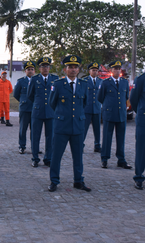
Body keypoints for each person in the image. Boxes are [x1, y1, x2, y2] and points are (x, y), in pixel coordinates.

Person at [48, 55, 91, 192]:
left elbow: (84, 103)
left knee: (78, 156)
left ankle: (78, 181)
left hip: (78, 126)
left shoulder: (83, 85)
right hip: (61, 126)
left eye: (75, 67)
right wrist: (63, 115)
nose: (73, 69)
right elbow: (52, 103)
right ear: (64, 69)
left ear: (79, 70)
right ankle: (54, 181)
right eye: (70, 67)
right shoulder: (58, 84)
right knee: (56, 155)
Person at [97, 60, 131, 169]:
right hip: (109, 114)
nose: (117, 70)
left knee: (121, 138)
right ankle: (104, 159)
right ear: (111, 70)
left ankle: (121, 159)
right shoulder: (105, 82)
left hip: (121, 114)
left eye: (118, 68)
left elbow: (126, 96)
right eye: (115, 69)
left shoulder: (125, 82)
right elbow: (100, 97)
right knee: (107, 137)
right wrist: (109, 106)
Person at [27, 58, 58, 166]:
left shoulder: (55, 79)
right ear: (39, 68)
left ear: (49, 68)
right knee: (35, 136)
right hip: (38, 111)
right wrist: (38, 103)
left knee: (50, 137)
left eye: (47, 66)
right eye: (43, 66)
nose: (45, 68)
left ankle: (48, 158)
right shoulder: (34, 79)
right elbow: (30, 95)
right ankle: (35, 158)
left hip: (50, 112)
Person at [13, 61, 35, 154]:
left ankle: (34, 147)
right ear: (25, 71)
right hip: (25, 108)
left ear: (34, 71)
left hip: (35, 109)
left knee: (34, 130)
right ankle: (22, 146)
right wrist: (23, 101)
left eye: (32, 69)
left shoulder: (37, 81)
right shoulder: (21, 81)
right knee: (23, 128)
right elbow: (16, 94)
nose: (30, 71)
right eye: (28, 69)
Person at [130, 73, 145, 190]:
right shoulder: (141, 79)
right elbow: (133, 99)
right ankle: (139, 177)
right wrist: (140, 111)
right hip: (143, 119)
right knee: (141, 148)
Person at [83, 62, 102, 152]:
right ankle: (81, 144)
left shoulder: (100, 81)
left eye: (96, 70)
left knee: (97, 128)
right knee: (84, 128)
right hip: (87, 108)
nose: (95, 72)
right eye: (93, 70)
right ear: (89, 71)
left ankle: (97, 145)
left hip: (97, 108)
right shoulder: (84, 81)